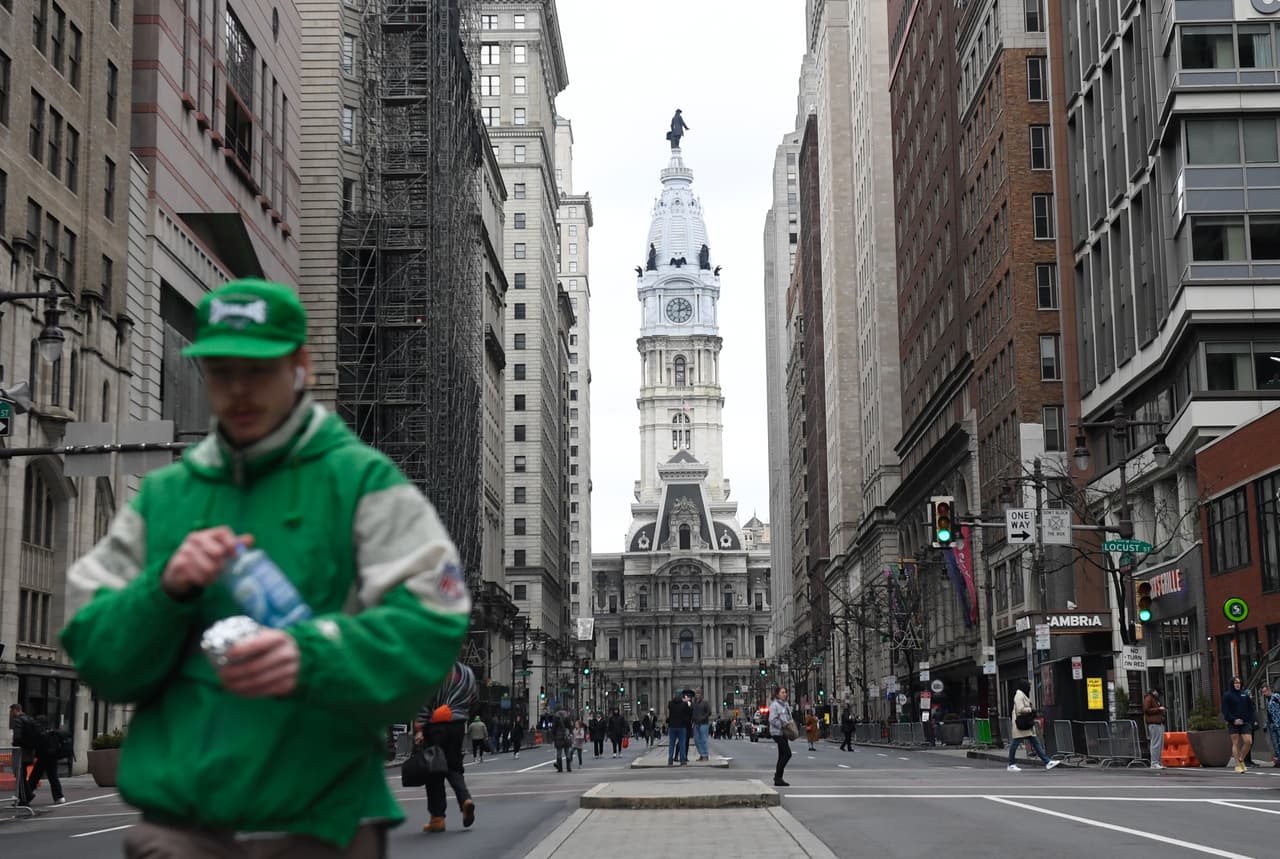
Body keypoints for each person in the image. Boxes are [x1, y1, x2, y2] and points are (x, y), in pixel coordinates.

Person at [60, 279, 470, 858]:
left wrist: (313, 655)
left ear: (298, 365)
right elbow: (94, 648)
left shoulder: (362, 483)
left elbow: (433, 620)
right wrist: (163, 590)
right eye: (222, 371)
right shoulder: (164, 498)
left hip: (323, 828)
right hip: (182, 832)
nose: (239, 390)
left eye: (259, 369)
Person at [416, 663, 477, 834]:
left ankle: (438, 818)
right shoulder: (467, 673)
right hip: (457, 725)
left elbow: (425, 699)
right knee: (454, 767)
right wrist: (460, 712)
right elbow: (474, 699)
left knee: (435, 769)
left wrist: (420, 727)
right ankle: (465, 800)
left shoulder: (434, 670)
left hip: (436, 725)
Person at [1008, 680, 1060, 771]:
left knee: (1035, 742)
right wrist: (1030, 710)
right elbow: (1020, 709)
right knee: (1016, 743)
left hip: (1024, 723)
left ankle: (1047, 761)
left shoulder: (1021, 694)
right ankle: (1011, 764)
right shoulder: (1019, 695)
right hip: (1021, 723)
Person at [1222, 676, 1256, 773]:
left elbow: (1251, 709)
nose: (1237, 685)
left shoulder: (1244, 695)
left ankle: (1241, 759)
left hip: (1245, 722)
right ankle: (1237, 765)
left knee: (1248, 741)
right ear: (1232, 684)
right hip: (1233, 723)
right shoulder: (1227, 695)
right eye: (1235, 683)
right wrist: (1233, 719)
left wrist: (1251, 720)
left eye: (1239, 683)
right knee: (1235, 743)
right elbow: (1225, 711)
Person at [769, 686, 794, 787]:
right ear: (778, 694)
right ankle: (777, 777)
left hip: (784, 733)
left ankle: (778, 778)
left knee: (781, 755)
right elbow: (772, 719)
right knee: (787, 754)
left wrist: (790, 724)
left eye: (785, 692)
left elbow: (788, 717)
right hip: (777, 732)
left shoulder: (786, 705)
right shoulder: (774, 705)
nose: (785, 694)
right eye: (783, 692)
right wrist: (782, 725)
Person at [1143, 688, 1166, 769]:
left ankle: (1158, 762)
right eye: (1157, 692)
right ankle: (1154, 763)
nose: (1158, 694)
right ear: (1153, 691)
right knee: (1156, 743)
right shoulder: (1149, 698)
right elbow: (1146, 709)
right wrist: (1158, 709)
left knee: (1160, 744)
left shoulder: (1154, 699)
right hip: (1154, 723)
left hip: (1158, 723)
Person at [667, 692, 692, 765]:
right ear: (681, 697)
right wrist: (688, 703)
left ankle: (670, 759)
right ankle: (682, 760)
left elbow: (669, 712)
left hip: (672, 726)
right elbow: (689, 712)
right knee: (682, 744)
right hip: (682, 726)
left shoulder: (670, 703)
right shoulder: (684, 704)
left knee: (671, 743)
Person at [691, 689, 712, 761]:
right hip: (696, 724)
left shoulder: (705, 703)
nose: (697, 695)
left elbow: (709, 712)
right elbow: (691, 712)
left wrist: (702, 718)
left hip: (704, 724)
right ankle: (702, 754)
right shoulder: (693, 703)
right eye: (696, 693)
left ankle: (705, 755)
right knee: (696, 740)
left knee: (703, 740)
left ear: (701, 694)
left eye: (698, 693)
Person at [552, 708, 573, 773]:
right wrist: (570, 733)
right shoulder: (567, 716)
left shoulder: (556, 717)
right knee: (567, 752)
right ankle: (568, 768)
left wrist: (554, 735)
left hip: (558, 736)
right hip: (566, 736)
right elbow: (570, 726)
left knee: (559, 753)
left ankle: (560, 769)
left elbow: (554, 728)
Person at [1264, 685, 1280, 767]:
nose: (1264, 694)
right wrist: (1266, 724)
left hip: (1278, 722)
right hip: (1272, 724)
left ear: (1269, 690)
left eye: (1265, 691)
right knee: (1275, 743)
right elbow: (1268, 714)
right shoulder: (1268, 701)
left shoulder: (1276, 697)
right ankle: (1278, 761)